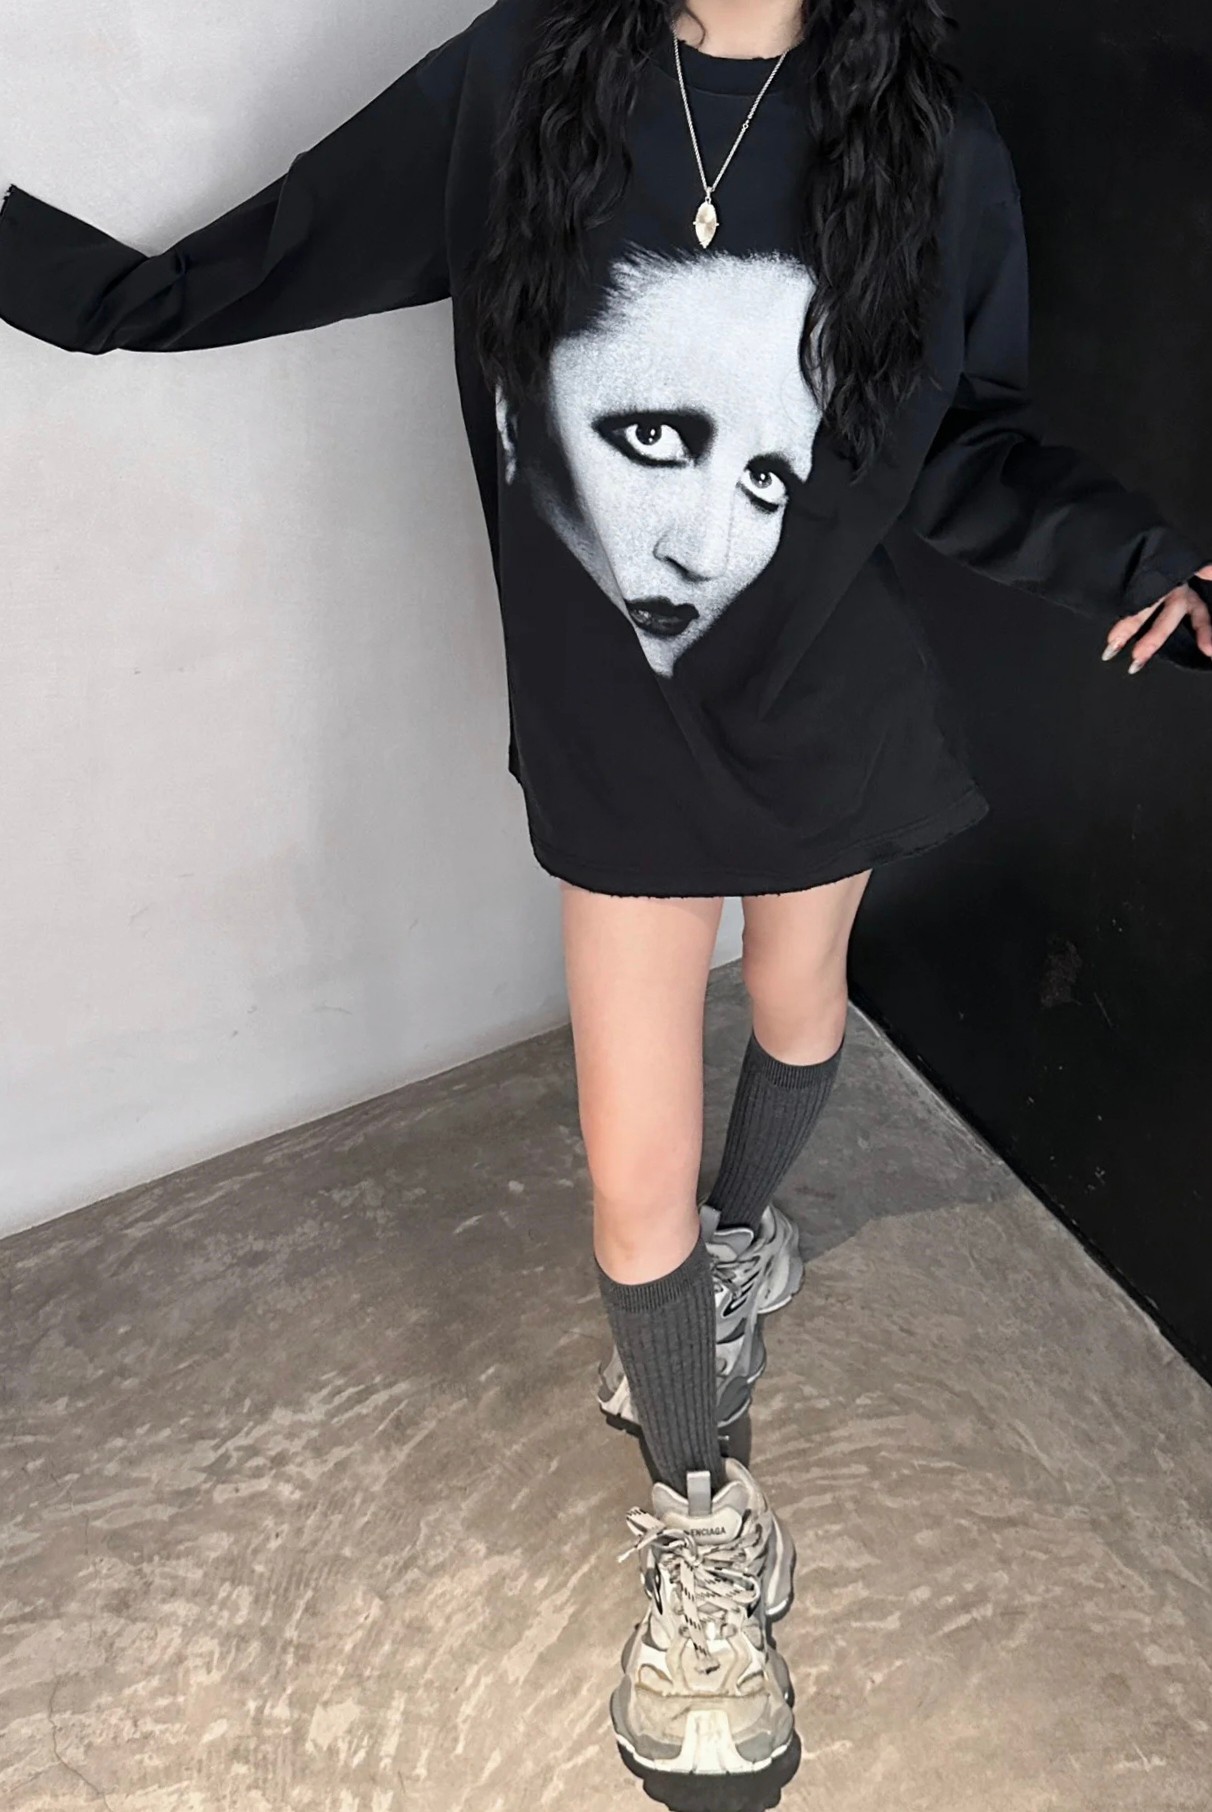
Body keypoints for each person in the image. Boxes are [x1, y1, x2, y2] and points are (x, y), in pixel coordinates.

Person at [2, 0, 1210, 1782]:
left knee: (796, 1004)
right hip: (617, 728)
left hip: (827, 702)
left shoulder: (927, 138)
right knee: (628, 1168)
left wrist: (1137, 554)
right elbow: (281, 245)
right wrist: (71, 284)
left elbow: (960, 438)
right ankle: (703, 1530)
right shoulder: (524, 80)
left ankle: (743, 1247)